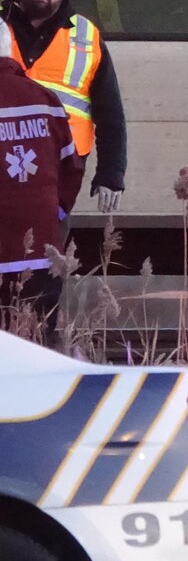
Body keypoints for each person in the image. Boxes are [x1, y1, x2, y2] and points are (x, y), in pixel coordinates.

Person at [2, 0, 126, 215]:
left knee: (49, 241)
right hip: (4, 150)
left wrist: (110, 174)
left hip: (61, 160)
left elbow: (110, 113)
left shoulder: (86, 35)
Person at [0, 18, 78, 337]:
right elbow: (71, 165)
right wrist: (55, 213)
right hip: (42, 253)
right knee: (38, 345)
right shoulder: (45, 98)